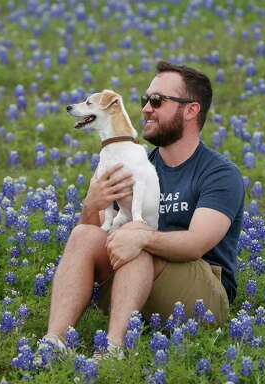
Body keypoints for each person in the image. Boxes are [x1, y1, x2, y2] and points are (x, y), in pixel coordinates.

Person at [38, 60, 245, 361]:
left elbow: (196, 243)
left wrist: (142, 238)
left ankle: (113, 349)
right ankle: (54, 342)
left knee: (136, 235)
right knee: (84, 234)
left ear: (191, 110)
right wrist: (92, 205)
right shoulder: (137, 165)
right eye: (144, 100)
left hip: (201, 296)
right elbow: (96, 233)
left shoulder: (218, 173)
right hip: (135, 286)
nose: (146, 108)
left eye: (158, 101)